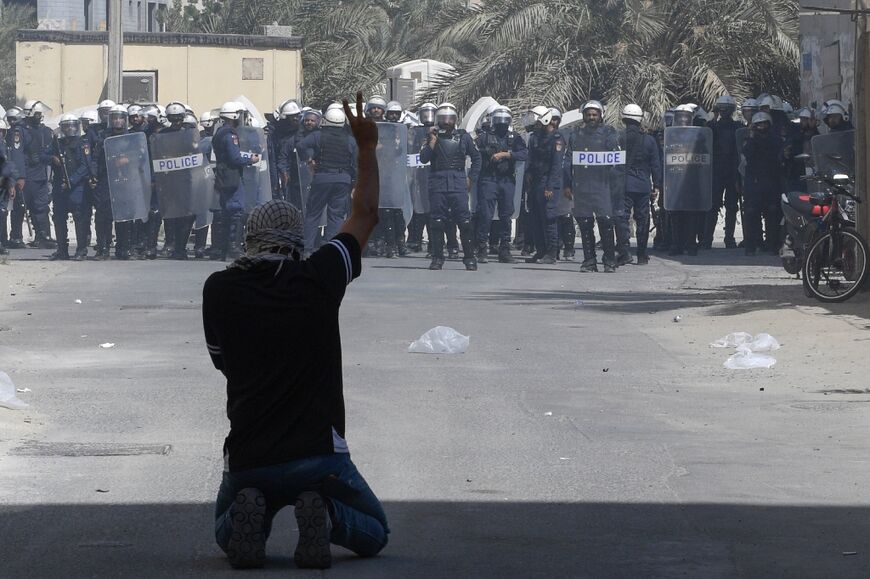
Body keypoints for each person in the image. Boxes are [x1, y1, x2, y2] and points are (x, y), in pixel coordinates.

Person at [203, 92, 388, 571]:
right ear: (299, 242)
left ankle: (254, 516)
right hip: (317, 454)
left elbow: (221, 360)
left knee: (228, 531)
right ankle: (322, 512)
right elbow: (364, 214)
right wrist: (366, 148)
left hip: (250, 453)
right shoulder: (320, 276)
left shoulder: (220, 289)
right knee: (373, 532)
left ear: (250, 239)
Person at [419, 102, 481, 270]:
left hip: (458, 181)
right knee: (437, 221)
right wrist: (431, 141)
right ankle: (437, 258)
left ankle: (469, 258)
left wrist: (471, 178)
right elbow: (423, 159)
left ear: (455, 119)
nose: (446, 121)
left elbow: (477, 158)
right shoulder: (432, 136)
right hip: (438, 182)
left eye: (450, 118)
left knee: (464, 221)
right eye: (443, 118)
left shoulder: (463, 137)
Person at [564, 100, 619, 272]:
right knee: (585, 223)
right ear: (583, 116)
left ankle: (609, 261)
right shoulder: (575, 135)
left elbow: (616, 159)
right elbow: (567, 162)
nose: (591, 117)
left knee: (606, 222)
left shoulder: (610, 133)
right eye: (588, 114)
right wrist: (567, 184)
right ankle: (589, 261)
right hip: (582, 186)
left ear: (601, 115)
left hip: (603, 185)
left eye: (595, 114)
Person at [296, 103, 357, 254]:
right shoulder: (350, 140)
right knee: (336, 215)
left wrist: (309, 159)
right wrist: (354, 182)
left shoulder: (318, 135)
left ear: (325, 121)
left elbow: (301, 146)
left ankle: (308, 249)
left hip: (322, 177)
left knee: (313, 213)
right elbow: (356, 162)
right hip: (343, 179)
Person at [474, 105, 527, 263]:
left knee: (506, 215)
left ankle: (504, 249)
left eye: (505, 120)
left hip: (506, 180)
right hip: (488, 179)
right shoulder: (484, 137)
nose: (502, 123)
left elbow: (524, 153)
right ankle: (482, 248)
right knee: (485, 215)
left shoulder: (514, 138)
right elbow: (474, 152)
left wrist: (507, 154)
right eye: (499, 120)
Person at [210, 101, 260, 260]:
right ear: (234, 115)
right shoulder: (230, 134)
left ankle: (222, 248)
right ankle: (233, 246)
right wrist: (250, 159)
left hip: (223, 175)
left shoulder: (219, 132)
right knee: (236, 211)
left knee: (226, 211)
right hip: (231, 176)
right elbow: (234, 157)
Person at [42, 114, 95, 260]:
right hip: (60, 187)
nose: (69, 129)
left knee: (80, 217)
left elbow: (85, 166)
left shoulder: (82, 143)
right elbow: (41, 156)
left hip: (77, 187)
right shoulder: (57, 143)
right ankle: (62, 250)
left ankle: (81, 250)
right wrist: (52, 158)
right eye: (66, 126)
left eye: (72, 125)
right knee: (58, 217)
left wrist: (71, 180)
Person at [615, 104, 661, 265]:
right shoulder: (649, 140)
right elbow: (656, 165)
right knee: (643, 219)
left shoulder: (617, 138)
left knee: (622, 218)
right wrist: (656, 186)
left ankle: (624, 252)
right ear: (640, 120)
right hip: (642, 186)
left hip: (623, 185)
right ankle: (642, 254)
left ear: (624, 118)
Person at [702, 95, 741, 249]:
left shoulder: (737, 127)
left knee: (731, 206)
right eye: (721, 110)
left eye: (726, 110)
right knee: (713, 206)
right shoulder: (711, 128)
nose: (723, 112)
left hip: (731, 171)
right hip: (717, 171)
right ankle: (707, 239)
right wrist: (713, 117)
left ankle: (728, 239)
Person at [742, 112, 782, 256]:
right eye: (758, 124)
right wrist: (752, 137)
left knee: (772, 212)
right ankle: (752, 245)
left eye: (764, 123)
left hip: (771, 181)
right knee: (752, 213)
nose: (761, 127)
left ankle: (772, 245)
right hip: (754, 182)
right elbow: (746, 153)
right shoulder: (750, 140)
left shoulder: (775, 140)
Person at [22, 101, 56, 248]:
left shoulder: (44, 130)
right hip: (29, 175)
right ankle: (40, 236)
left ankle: (44, 235)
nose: (39, 117)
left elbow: (48, 150)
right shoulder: (22, 130)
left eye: (40, 114)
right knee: (34, 206)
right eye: (36, 114)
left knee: (42, 206)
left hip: (43, 173)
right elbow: (18, 154)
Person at [4, 107, 27, 250]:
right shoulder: (10, 133)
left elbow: (17, 157)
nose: (12, 122)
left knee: (18, 207)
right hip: (7, 175)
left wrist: (20, 176)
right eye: (9, 119)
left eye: (14, 119)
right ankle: (9, 237)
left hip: (13, 176)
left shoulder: (16, 133)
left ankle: (16, 236)